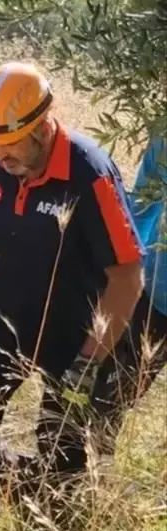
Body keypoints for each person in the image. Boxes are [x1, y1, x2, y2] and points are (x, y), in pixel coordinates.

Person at [0, 62, 144, 495]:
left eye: (10, 145)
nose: (0, 157)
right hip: (4, 318)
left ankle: (52, 510)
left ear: (41, 128)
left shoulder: (89, 172)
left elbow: (127, 276)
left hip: (78, 334)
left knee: (62, 453)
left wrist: (89, 362)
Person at [93, 130, 167, 450]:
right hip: (157, 293)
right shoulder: (164, 139)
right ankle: (87, 476)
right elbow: (143, 207)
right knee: (113, 397)